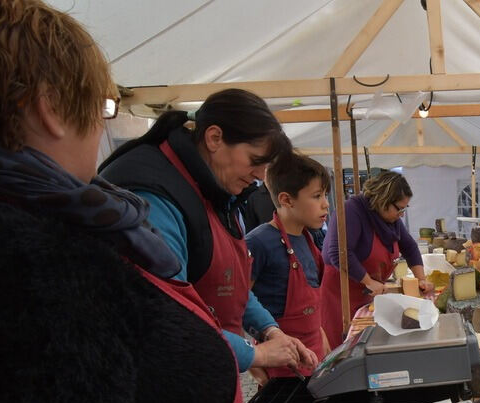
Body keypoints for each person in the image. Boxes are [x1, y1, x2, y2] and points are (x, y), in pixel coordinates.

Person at [0, 2, 270, 403]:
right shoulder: (38, 247)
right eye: (100, 108)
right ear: (51, 110)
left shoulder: (62, 220)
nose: (104, 129)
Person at [100, 89, 318, 376]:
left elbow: (232, 285)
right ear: (214, 138)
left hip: (212, 372)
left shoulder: (218, 190)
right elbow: (166, 316)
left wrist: (269, 329)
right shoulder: (154, 195)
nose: (259, 176)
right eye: (255, 160)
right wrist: (254, 354)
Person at [246, 153, 332, 403]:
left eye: (326, 196)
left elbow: (311, 297)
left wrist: (321, 334)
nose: (326, 205)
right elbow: (239, 303)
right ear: (286, 199)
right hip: (281, 371)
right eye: (317, 196)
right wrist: (256, 363)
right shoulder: (259, 242)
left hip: (314, 360)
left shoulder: (310, 240)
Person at [321, 171, 432, 342]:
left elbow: (409, 247)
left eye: (405, 208)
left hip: (368, 293)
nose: (402, 214)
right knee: (345, 348)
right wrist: (369, 282)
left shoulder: (391, 220)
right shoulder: (351, 211)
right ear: (383, 200)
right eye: (399, 208)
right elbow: (338, 253)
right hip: (340, 297)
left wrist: (421, 279)